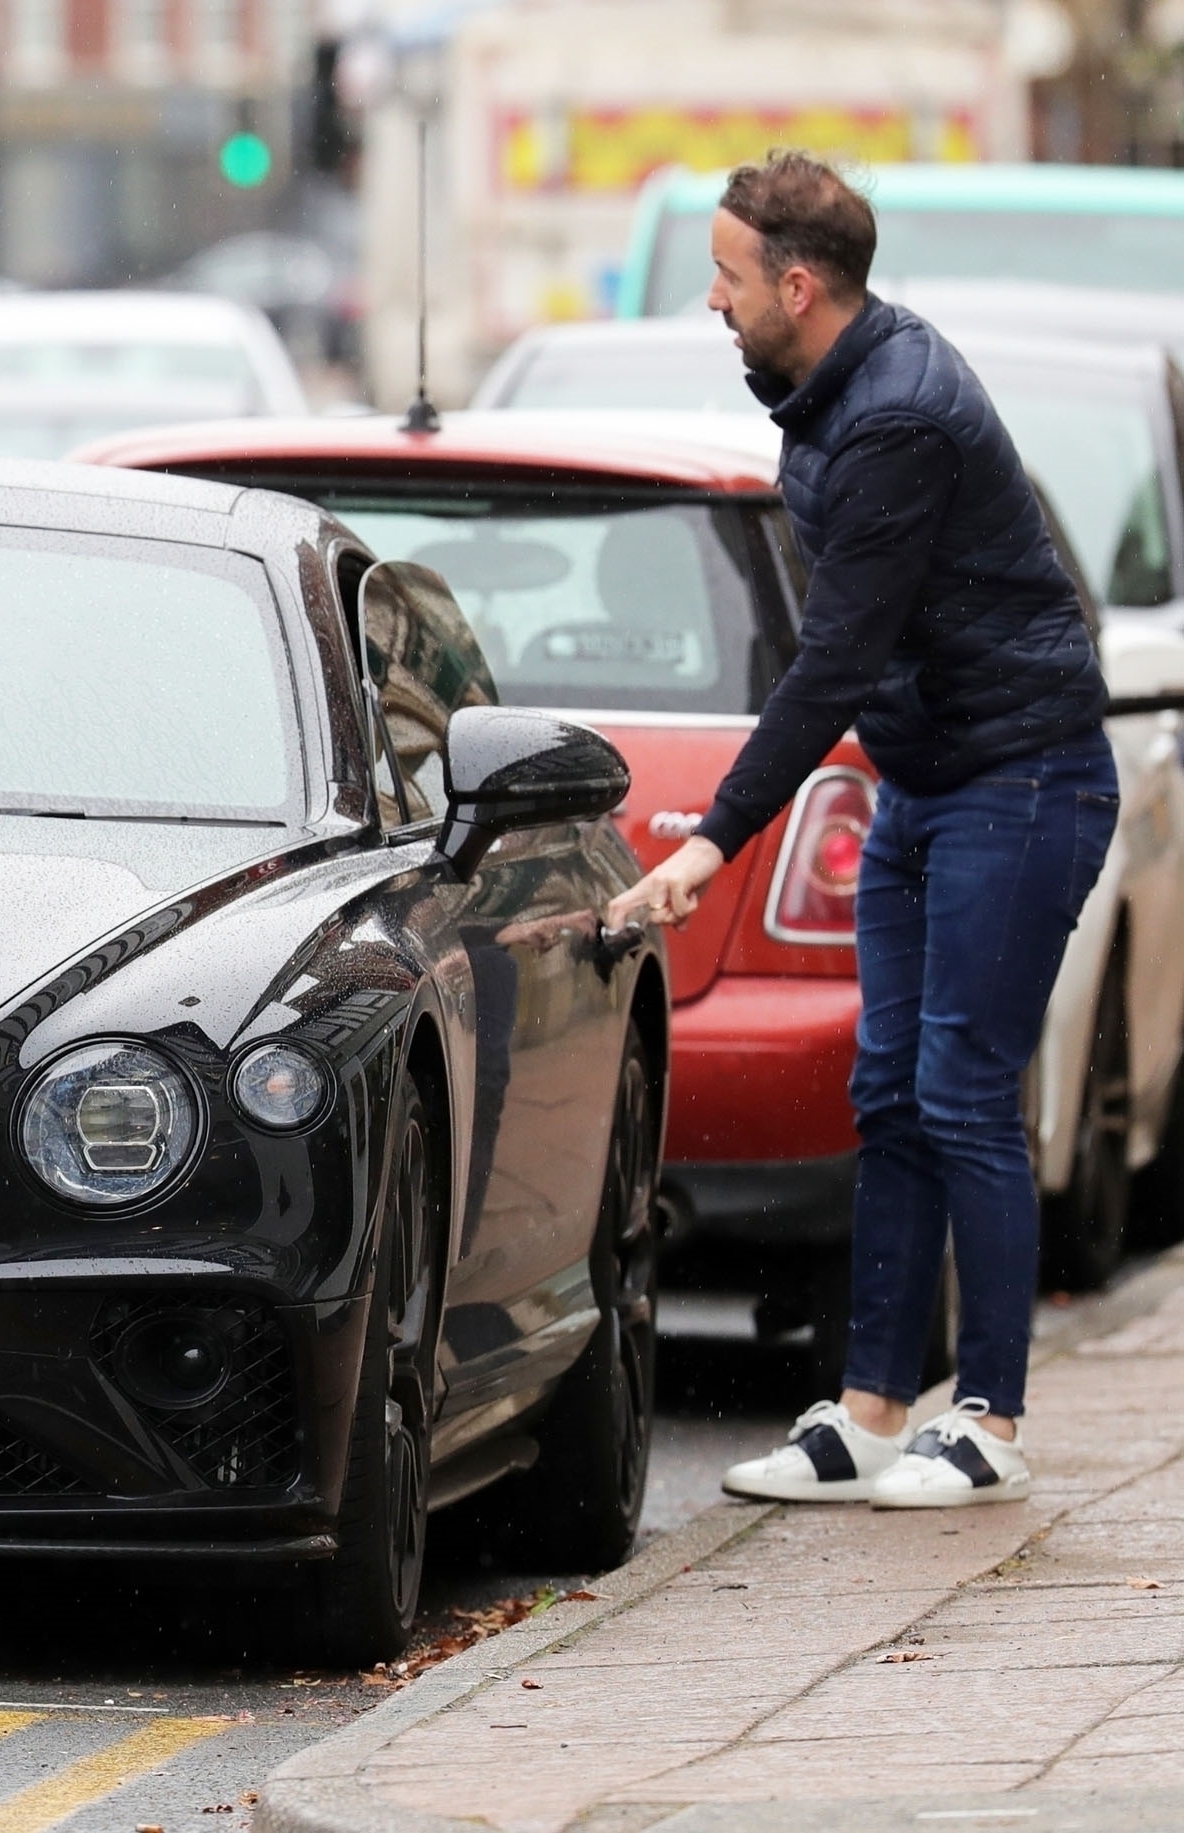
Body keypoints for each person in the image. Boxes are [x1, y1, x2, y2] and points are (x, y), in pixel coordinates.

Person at [605, 153, 1114, 1509]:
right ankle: (875, 1412)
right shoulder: (821, 392)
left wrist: (711, 840)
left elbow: (829, 661)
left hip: (1021, 783)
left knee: (959, 1092)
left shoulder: (893, 419)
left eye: (723, 276)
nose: (709, 301)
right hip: (924, 783)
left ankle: (988, 1418)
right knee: (884, 1094)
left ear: (797, 282)